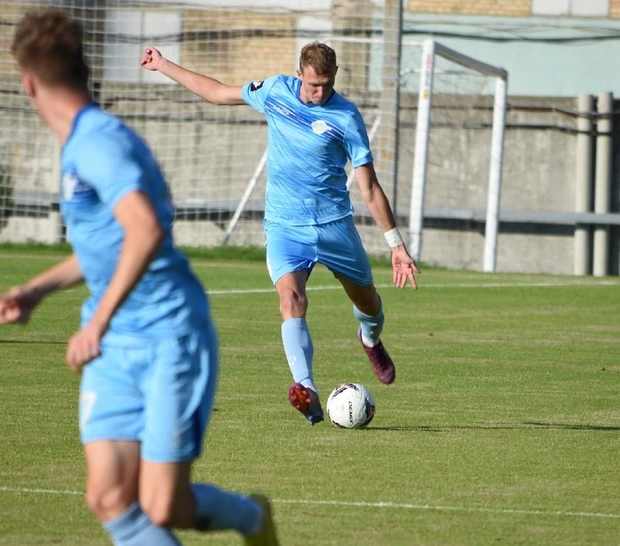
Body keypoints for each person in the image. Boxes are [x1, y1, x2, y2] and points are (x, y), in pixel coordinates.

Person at [0, 9, 280, 546]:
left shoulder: (96, 141)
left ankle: (252, 518)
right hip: (118, 344)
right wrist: (38, 289)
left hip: (168, 336)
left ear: (27, 83)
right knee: (110, 499)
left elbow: (146, 230)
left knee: (162, 505)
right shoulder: (85, 143)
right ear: (84, 71)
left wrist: (98, 321)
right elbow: (107, 242)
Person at [141, 42, 420, 426]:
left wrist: (396, 246)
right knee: (291, 300)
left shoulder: (347, 118)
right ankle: (307, 391)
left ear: (334, 76)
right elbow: (219, 93)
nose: (318, 92)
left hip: (335, 226)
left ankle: (370, 339)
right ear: (299, 74)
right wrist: (164, 65)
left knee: (369, 303)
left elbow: (369, 189)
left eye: (324, 84)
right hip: (285, 227)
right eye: (311, 84)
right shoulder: (274, 91)